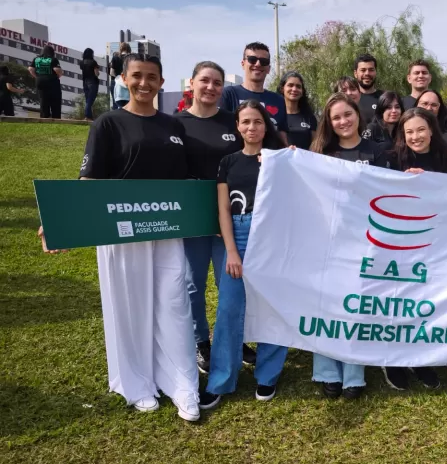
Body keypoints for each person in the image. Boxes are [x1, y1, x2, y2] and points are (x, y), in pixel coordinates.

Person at [39, 54, 201, 421]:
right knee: (129, 306)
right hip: (120, 229)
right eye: (137, 76)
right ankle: (137, 383)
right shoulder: (108, 123)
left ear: (162, 82)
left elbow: (187, 181)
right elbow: (89, 180)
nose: (145, 83)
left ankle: (181, 383)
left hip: (166, 227)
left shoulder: (173, 125)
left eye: (153, 77)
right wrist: (61, 222)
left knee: (174, 303)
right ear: (124, 79)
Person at [203, 100, 289, 408]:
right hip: (237, 233)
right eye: (245, 122)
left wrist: (284, 163)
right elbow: (224, 210)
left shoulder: (279, 160)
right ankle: (221, 380)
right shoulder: (228, 162)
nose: (251, 127)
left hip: (272, 237)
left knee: (272, 308)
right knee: (228, 309)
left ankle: (268, 375)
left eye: (257, 122)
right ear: (237, 127)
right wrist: (231, 251)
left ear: (266, 126)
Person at [175, 61, 255, 375]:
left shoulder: (231, 122)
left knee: (231, 283)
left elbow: (251, 153)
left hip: (229, 218)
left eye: (217, 83)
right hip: (192, 218)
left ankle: (235, 339)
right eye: (205, 81)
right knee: (193, 284)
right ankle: (201, 342)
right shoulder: (175, 123)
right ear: (192, 83)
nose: (210, 87)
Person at [309, 93, 390, 399]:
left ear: (358, 115)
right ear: (329, 123)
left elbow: (389, 190)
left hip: (365, 241)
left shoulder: (378, 152)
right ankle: (327, 372)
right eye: (336, 117)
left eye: (348, 114)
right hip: (327, 240)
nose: (343, 121)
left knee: (356, 305)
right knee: (326, 304)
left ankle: (354, 376)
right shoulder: (319, 153)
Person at [380, 107, 447, 391]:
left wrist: (431, 182)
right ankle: (392, 360)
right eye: (409, 132)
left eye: (421, 130)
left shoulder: (444, 161)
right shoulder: (390, 158)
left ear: (432, 130)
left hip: (431, 241)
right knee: (396, 299)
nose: (415, 136)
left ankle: (419, 359)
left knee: (423, 300)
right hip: (396, 241)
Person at [220, 41, 289, 145]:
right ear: (243, 64)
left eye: (263, 61)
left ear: (269, 69)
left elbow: (282, 135)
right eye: (252, 60)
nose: (257, 64)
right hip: (238, 159)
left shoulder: (278, 100)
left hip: (269, 160)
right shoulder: (229, 94)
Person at [278, 70, 317, 150]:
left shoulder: (309, 117)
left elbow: (316, 146)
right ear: (282, 89)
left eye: (298, 86)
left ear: (302, 91)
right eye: (290, 85)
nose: (294, 89)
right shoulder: (276, 116)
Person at [27, 45, 63, 119]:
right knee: (55, 99)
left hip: (40, 81)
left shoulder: (36, 59)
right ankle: (56, 117)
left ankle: (44, 116)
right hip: (52, 81)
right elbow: (57, 70)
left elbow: (30, 68)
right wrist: (59, 75)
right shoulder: (53, 59)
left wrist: (36, 76)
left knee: (43, 99)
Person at [354, 53, 383, 126]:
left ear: (375, 72)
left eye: (371, 70)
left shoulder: (385, 98)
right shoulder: (349, 99)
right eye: (363, 70)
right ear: (355, 73)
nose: (367, 73)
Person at [80, 48, 100, 121]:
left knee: (88, 99)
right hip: (92, 82)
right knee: (90, 100)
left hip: (85, 82)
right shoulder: (93, 62)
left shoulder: (81, 62)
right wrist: (98, 72)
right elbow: (96, 74)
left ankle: (89, 117)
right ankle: (87, 116)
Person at [110, 42, 131, 110]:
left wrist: (118, 77)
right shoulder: (131, 58)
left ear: (120, 49)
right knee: (129, 103)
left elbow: (111, 72)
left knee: (115, 102)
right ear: (129, 49)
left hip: (117, 82)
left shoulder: (115, 58)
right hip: (128, 81)